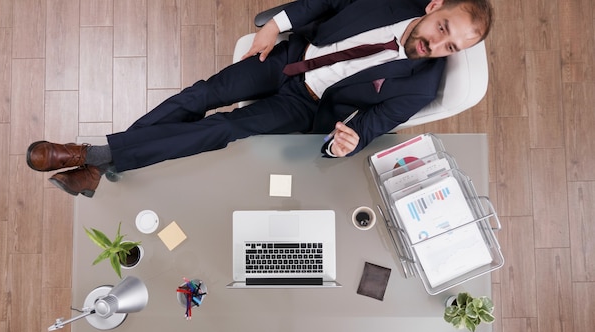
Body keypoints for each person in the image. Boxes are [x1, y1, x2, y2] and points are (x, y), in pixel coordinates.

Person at [27, 0, 493, 198]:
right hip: (291, 53)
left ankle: (94, 155)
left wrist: (345, 143)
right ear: (434, 7)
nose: (435, 45)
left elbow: (370, 127)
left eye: (451, 47)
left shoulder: (419, 86)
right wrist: (276, 25)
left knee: (229, 126)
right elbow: (321, 3)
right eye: (443, 29)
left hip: (307, 102)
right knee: (202, 94)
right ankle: (100, 167)